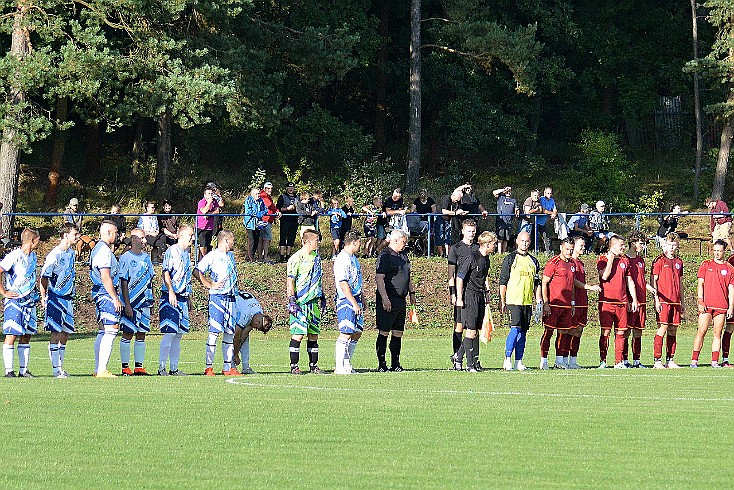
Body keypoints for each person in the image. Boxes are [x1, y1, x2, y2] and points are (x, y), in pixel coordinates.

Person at [194, 230, 239, 376]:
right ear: (226, 240)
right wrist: (209, 284)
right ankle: (208, 367)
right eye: (232, 240)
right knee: (214, 333)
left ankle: (227, 368)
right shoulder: (212, 255)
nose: (233, 243)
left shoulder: (231, 256)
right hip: (218, 298)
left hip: (231, 298)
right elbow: (197, 271)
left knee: (229, 333)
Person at [40, 223, 79, 378]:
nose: (77, 237)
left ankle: (60, 368)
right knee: (55, 333)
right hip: (56, 298)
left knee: (65, 333)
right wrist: (44, 296)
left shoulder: (71, 253)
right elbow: (44, 277)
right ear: (65, 235)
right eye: (75, 234)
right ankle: (56, 370)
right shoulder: (54, 255)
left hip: (68, 298)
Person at [0, 228, 40, 377]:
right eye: (37, 240)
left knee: (27, 335)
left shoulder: (33, 256)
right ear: (32, 241)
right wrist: (4, 292)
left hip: (29, 301)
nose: (38, 243)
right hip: (15, 300)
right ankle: (9, 371)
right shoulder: (15, 255)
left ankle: (23, 370)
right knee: (11, 335)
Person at [455, 231, 497, 372]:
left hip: (479, 296)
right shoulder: (472, 257)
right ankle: (470, 364)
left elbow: (484, 278)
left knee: (476, 331)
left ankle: (458, 357)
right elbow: (460, 277)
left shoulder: (487, 259)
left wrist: (487, 293)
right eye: (493, 244)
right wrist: (459, 298)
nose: (495, 246)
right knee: (471, 331)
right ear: (486, 244)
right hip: (470, 296)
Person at [375, 229, 416, 372]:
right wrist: (385, 299)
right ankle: (382, 364)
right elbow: (379, 278)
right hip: (388, 299)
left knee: (398, 332)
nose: (405, 244)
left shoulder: (404, 256)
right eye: (404, 242)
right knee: (384, 332)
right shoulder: (385, 255)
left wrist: (412, 293)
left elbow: (408, 276)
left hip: (401, 299)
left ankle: (396, 363)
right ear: (395, 240)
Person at [500, 231, 541, 371]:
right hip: (513, 300)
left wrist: (539, 300)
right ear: (517, 241)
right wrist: (502, 300)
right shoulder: (510, 259)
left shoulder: (533, 261)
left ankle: (519, 361)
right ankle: (507, 359)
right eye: (522, 240)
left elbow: (537, 283)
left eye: (527, 241)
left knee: (523, 332)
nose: (524, 243)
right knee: (515, 330)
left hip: (527, 302)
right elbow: (503, 281)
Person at [596, 235, 639, 369]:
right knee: (606, 332)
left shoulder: (624, 260)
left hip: (622, 302)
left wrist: (634, 299)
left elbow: (629, 281)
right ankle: (603, 361)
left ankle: (618, 362)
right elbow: (604, 276)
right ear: (612, 246)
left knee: (621, 332)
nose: (623, 247)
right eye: (621, 245)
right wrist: (611, 259)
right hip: (607, 301)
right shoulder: (602, 259)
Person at [287, 229, 325, 374]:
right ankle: (294, 366)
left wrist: (322, 296)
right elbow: (290, 280)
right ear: (309, 241)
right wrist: (292, 299)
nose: (318, 243)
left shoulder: (317, 257)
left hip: (313, 301)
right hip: (300, 302)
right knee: (298, 333)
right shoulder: (296, 258)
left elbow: (319, 278)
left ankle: (314, 365)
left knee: (313, 334)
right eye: (316, 240)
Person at [691, 240, 734, 368]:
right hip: (706, 305)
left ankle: (714, 361)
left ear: (724, 251)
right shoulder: (706, 264)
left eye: (719, 251)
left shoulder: (730, 268)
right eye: (715, 250)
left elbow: (731, 290)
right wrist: (700, 300)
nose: (716, 253)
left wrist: (731, 307)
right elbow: (700, 284)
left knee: (717, 333)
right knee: (701, 331)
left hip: (721, 306)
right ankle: (694, 360)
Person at [117, 228, 154, 376]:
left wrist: (151, 299)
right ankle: (125, 367)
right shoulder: (125, 258)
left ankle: (139, 366)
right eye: (142, 238)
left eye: (144, 238)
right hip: (131, 302)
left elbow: (150, 279)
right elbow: (124, 282)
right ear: (133, 240)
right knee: (127, 333)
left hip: (144, 302)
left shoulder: (146, 258)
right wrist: (127, 304)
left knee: (141, 333)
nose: (145, 241)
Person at [158, 224, 194, 376]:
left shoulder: (186, 253)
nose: (193, 238)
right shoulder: (172, 251)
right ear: (181, 236)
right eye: (190, 235)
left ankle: (174, 368)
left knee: (178, 334)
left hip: (183, 297)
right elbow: (166, 272)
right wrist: (171, 292)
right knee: (170, 333)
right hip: (171, 296)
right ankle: (161, 368)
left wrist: (189, 297)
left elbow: (186, 276)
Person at [90, 221, 122, 378]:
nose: (117, 235)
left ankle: (98, 369)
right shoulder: (104, 251)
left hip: (101, 291)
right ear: (109, 233)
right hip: (105, 292)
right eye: (116, 232)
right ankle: (102, 369)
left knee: (103, 330)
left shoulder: (99, 248)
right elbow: (105, 276)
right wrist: (114, 297)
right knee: (111, 328)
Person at [540, 238, 576, 370]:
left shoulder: (572, 263)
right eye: (567, 249)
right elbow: (544, 283)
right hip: (554, 305)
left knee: (563, 334)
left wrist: (572, 303)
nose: (569, 251)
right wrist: (545, 303)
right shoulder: (553, 262)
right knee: (548, 332)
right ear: (561, 248)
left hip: (566, 306)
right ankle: (543, 360)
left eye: (571, 249)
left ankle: (559, 361)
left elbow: (571, 285)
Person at [448, 219, 479, 370]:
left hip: (474, 292)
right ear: (462, 231)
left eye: (473, 231)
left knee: (473, 327)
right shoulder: (456, 248)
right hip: (461, 292)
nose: (471, 234)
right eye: (468, 231)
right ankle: (456, 355)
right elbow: (451, 273)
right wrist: (453, 293)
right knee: (459, 326)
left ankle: (473, 358)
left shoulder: (478, 249)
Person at [650, 232, 685, 369]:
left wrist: (682, 301)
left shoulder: (679, 262)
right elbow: (654, 281)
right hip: (663, 300)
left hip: (675, 301)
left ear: (677, 246)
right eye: (669, 244)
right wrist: (656, 300)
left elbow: (681, 283)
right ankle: (657, 360)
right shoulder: (659, 261)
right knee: (662, 328)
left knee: (673, 330)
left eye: (674, 245)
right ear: (664, 245)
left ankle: (670, 360)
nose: (671, 247)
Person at [568, 236, 602, 369]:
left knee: (579, 331)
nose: (583, 247)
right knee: (570, 330)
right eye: (580, 245)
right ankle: (563, 359)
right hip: (574, 301)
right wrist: (589, 287)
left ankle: (573, 360)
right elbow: (573, 282)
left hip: (583, 301)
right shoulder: (570, 262)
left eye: (584, 245)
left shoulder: (580, 263)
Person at [333, 231, 364, 374]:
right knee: (346, 332)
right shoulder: (342, 259)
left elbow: (355, 279)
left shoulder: (353, 258)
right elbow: (343, 283)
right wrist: (353, 302)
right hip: (346, 299)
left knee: (356, 332)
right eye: (359, 243)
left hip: (356, 297)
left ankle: (347, 363)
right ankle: (339, 366)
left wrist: (361, 297)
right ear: (354, 242)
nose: (360, 245)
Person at [625, 232, 657, 368]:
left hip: (642, 300)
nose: (643, 246)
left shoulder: (640, 260)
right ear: (633, 243)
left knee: (638, 331)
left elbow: (642, 279)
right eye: (641, 243)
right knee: (626, 331)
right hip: (630, 301)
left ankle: (637, 361)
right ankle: (624, 360)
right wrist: (629, 299)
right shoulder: (624, 259)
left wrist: (651, 289)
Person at [231, 291, 273, 374]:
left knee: (245, 338)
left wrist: (237, 352)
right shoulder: (246, 315)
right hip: (229, 308)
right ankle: (231, 367)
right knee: (230, 337)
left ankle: (245, 367)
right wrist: (236, 355)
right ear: (257, 323)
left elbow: (245, 334)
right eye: (258, 328)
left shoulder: (258, 313)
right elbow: (236, 337)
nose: (255, 329)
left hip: (241, 304)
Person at [377, 188, 406, 254]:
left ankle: (380, 250)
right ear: (393, 194)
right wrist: (399, 211)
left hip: (395, 221)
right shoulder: (389, 200)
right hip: (384, 221)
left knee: (392, 237)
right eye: (395, 196)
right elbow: (388, 212)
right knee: (386, 238)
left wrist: (400, 211)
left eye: (398, 197)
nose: (396, 198)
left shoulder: (401, 200)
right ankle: (377, 250)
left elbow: (401, 209)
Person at [196, 184, 221, 260]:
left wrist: (209, 214)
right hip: (201, 226)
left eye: (211, 193)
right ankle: (204, 259)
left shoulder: (215, 202)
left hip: (210, 227)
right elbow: (203, 211)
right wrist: (209, 203)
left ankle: (202, 260)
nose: (210, 195)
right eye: (208, 194)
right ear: (205, 195)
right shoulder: (202, 202)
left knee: (208, 244)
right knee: (202, 245)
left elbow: (217, 211)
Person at [256, 182, 279, 263]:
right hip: (264, 220)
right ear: (265, 188)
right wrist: (277, 211)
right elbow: (269, 205)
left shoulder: (267, 196)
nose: (270, 190)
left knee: (263, 239)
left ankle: (261, 257)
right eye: (268, 188)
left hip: (267, 220)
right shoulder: (263, 195)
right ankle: (263, 257)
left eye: (271, 188)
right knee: (266, 239)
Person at [439, 189, 467, 255]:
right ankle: (441, 254)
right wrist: (455, 213)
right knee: (440, 236)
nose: (456, 201)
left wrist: (462, 212)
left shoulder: (457, 202)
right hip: (440, 219)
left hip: (449, 220)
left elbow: (457, 210)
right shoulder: (446, 198)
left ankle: (448, 253)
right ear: (453, 195)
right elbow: (444, 211)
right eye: (456, 200)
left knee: (448, 236)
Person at [277, 182, 299, 262]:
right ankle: (281, 256)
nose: (291, 189)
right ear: (286, 188)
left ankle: (288, 256)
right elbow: (278, 208)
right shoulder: (282, 197)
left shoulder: (297, 197)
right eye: (289, 187)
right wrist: (287, 209)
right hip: (285, 220)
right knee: (283, 237)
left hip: (294, 220)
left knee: (291, 238)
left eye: (292, 187)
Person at [493, 186, 518, 253]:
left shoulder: (513, 200)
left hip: (509, 222)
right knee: (500, 238)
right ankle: (499, 253)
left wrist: (517, 211)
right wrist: (504, 190)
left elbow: (516, 209)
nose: (508, 192)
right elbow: (494, 192)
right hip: (500, 221)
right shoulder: (500, 198)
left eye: (510, 190)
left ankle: (504, 252)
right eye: (507, 190)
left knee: (506, 238)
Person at [243, 188, 266, 262]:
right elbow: (249, 211)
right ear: (252, 194)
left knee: (256, 240)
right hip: (250, 223)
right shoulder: (248, 201)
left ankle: (249, 256)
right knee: (251, 241)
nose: (258, 195)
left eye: (259, 193)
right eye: (256, 194)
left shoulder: (261, 201)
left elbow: (265, 209)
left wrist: (262, 213)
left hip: (258, 224)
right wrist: (257, 214)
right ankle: (250, 258)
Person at [536, 187, 557, 253]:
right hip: (536, 222)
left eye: (550, 193)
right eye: (548, 193)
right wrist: (552, 213)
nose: (549, 195)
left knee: (546, 237)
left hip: (543, 223)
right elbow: (544, 210)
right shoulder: (541, 199)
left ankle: (548, 251)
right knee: (534, 237)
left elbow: (555, 209)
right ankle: (535, 250)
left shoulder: (552, 200)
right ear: (544, 193)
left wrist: (554, 213)